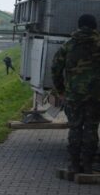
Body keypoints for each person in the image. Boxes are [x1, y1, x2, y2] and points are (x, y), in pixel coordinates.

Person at [51, 14, 100, 174]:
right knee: (92, 129)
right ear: (94, 27)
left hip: (74, 95)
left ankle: (74, 164)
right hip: (96, 96)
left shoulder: (68, 45)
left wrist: (61, 91)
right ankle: (88, 165)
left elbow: (55, 69)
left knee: (75, 128)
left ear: (79, 26)